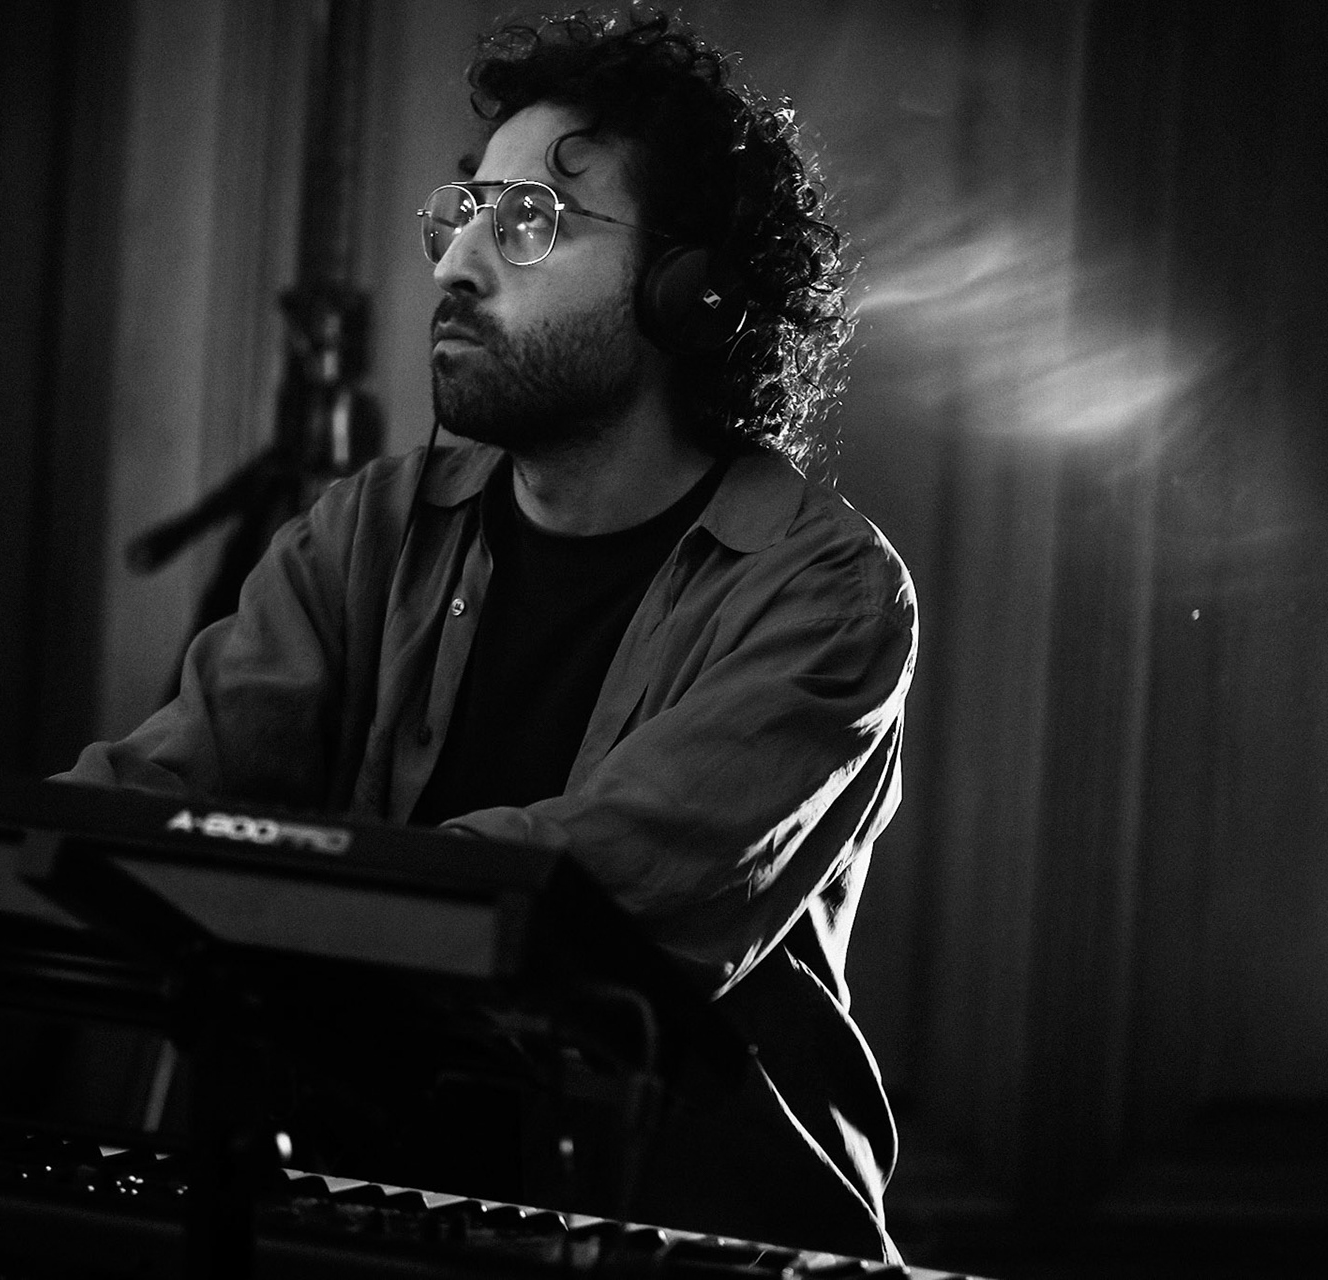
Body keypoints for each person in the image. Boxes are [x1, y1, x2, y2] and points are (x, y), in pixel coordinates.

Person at [60, 8, 916, 1261]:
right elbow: (155, 797)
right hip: (380, 1236)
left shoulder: (826, 593)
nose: (458, 262)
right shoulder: (368, 530)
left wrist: (269, 894)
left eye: (527, 222)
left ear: (689, 292)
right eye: (462, 212)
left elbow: (573, 902)